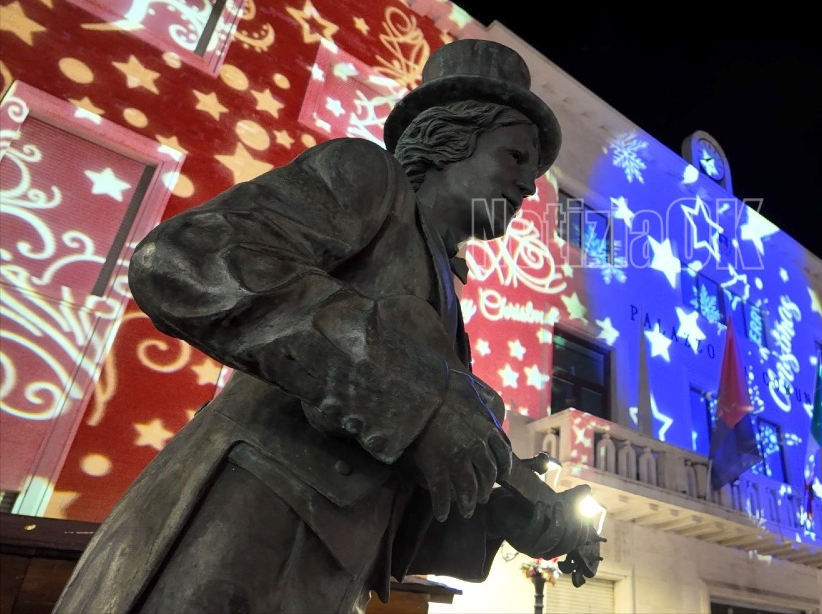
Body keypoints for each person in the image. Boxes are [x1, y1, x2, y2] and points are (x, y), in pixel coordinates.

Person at [53, 39, 594, 613]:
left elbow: (396, 465)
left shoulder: (446, 287)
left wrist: (515, 507)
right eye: (515, 157)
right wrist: (420, 399)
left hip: (329, 582)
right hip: (238, 539)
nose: (529, 186)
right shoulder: (368, 176)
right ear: (449, 140)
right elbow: (187, 259)